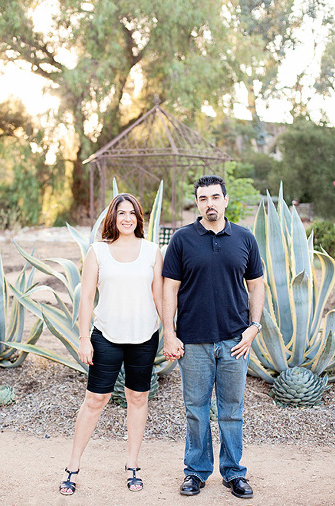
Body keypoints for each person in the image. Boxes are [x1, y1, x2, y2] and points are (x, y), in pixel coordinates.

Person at [162, 174, 265, 499]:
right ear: (197, 202)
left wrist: (254, 326)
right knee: (196, 410)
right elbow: (170, 288)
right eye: (203, 198)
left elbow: (257, 284)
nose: (210, 204)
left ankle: (234, 473)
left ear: (225, 200)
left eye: (215, 197)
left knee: (232, 410)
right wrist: (169, 333)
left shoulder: (245, 238)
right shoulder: (182, 240)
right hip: (193, 342)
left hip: (236, 342)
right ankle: (196, 472)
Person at [59, 193, 163, 495]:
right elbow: (87, 298)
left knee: (138, 398)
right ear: (113, 219)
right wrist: (83, 338)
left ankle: (132, 466)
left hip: (144, 338)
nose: (127, 218)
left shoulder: (152, 251)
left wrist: (171, 332)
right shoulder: (97, 252)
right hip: (105, 337)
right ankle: (72, 467)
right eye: (121, 214)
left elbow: (159, 296)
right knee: (94, 401)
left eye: (132, 213)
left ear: (139, 218)